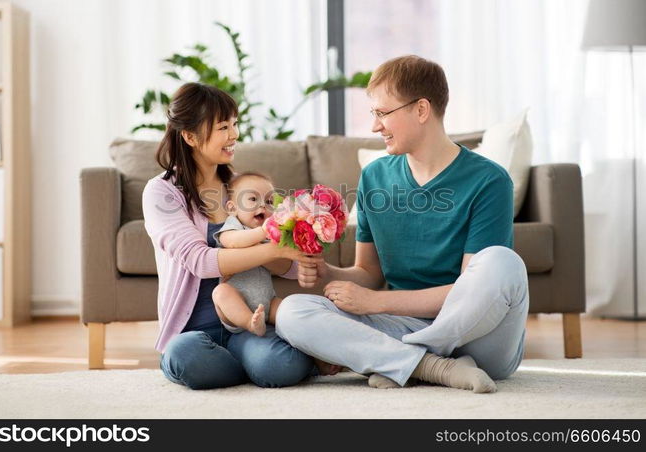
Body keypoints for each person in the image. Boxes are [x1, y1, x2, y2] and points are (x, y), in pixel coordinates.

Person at [276, 55, 530, 393]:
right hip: (403, 327)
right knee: (293, 312)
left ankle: (402, 359)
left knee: (503, 263)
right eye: (374, 115)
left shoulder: (489, 181)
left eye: (382, 113)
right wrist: (325, 271)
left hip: (481, 341)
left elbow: (469, 292)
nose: (374, 126)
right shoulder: (375, 177)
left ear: (421, 110)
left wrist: (375, 302)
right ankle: (429, 366)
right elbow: (369, 273)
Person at [142, 82, 331, 390]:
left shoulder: (244, 187)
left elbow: (287, 261)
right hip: (196, 331)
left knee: (282, 364)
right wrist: (274, 251)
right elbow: (200, 262)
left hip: (249, 327)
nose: (234, 135)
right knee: (183, 356)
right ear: (190, 136)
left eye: (234, 124)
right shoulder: (162, 191)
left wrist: (293, 248)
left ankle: (251, 363)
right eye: (223, 127)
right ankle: (252, 367)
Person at [211, 172, 283, 337]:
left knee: (291, 312)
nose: (263, 205)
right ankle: (250, 323)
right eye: (253, 199)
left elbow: (283, 260)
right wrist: (262, 232)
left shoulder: (269, 234)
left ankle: (318, 355)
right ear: (232, 208)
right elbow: (233, 242)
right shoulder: (233, 227)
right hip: (236, 302)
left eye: (269, 201)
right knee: (220, 292)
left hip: (268, 302)